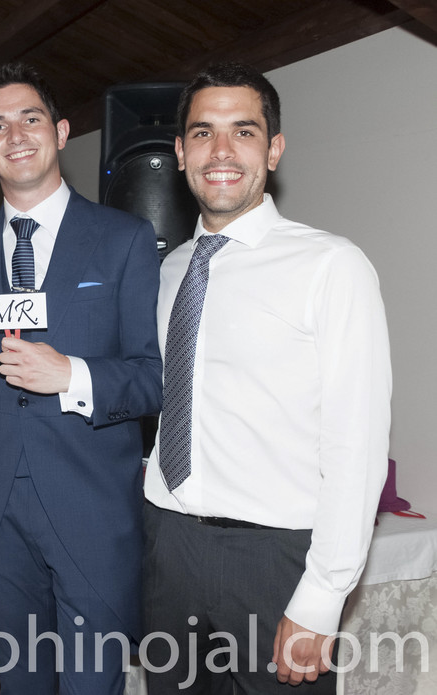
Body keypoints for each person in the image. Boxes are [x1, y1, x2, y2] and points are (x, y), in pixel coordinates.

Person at [142, 63, 391, 693]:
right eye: (202, 133)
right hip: (167, 546)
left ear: (274, 150)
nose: (221, 152)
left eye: (243, 132)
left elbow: (355, 444)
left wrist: (323, 594)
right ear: (179, 152)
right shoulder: (169, 270)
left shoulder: (332, 266)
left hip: (275, 562)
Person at [0, 63, 163, 693]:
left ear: (62, 131)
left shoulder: (125, 238)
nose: (16, 134)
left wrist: (73, 374)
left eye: (31, 118)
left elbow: (153, 380)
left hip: (89, 511)